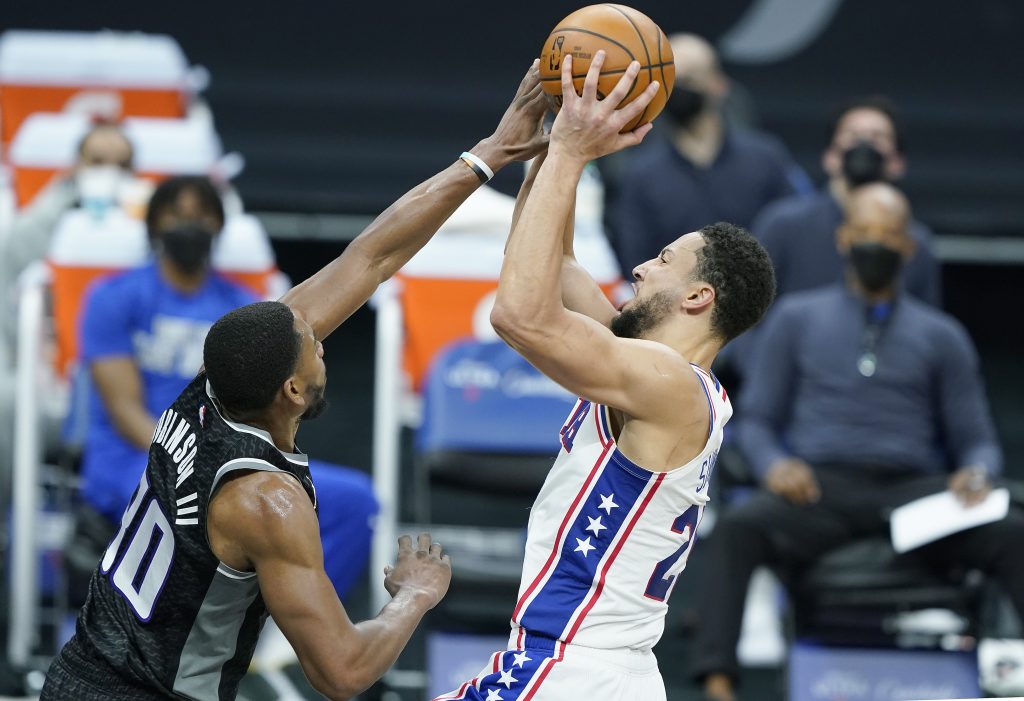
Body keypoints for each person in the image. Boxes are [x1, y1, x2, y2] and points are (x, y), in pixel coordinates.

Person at [41, 62, 550, 701]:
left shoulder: (205, 390)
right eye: (312, 345)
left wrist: (487, 156)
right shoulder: (266, 502)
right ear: (291, 389)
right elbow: (342, 674)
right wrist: (413, 599)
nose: (321, 338)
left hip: (77, 675)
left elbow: (370, 257)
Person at [433, 52, 776, 701]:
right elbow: (546, 260)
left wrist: (568, 149)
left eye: (664, 258)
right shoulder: (642, 353)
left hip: (575, 666)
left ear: (699, 297)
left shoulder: (668, 383)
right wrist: (550, 135)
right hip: (583, 666)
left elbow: (518, 315)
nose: (642, 266)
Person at [691, 182, 1024, 701]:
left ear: (909, 246)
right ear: (843, 238)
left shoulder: (943, 335)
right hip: (820, 490)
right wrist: (775, 464)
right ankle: (718, 684)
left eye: (888, 234)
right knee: (739, 527)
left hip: (912, 493)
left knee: (1011, 531)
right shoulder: (796, 319)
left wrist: (976, 472)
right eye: (865, 231)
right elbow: (755, 421)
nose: (876, 243)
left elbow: (978, 439)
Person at [70, 175, 377, 601]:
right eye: (177, 215)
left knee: (355, 501)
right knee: (207, 508)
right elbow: (124, 411)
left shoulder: (244, 306)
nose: (189, 225)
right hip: (137, 459)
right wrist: (194, 461)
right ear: (154, 224)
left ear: (218, 225)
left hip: (229, 455)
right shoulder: (112, 297)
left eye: (201, 216)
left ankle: (280, 639)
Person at [605, 33, 805, 280]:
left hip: (761, 303)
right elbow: (634, 260)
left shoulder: (765, 157)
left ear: (718, 84)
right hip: (677, 308)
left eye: (688, 79)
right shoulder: (641, 174)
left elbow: (794, 236)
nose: (678, 90)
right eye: (670, 81)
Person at [752, 96, 941, 305]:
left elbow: (923, 323)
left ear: (897, 163)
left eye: (878, 137)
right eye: (853, 135)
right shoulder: (783, 225)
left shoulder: (911, 240)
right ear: (830, 157)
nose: (864, 144)